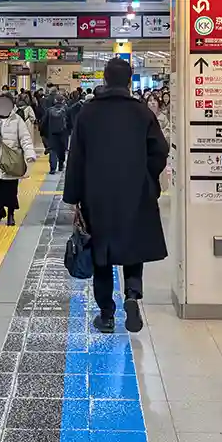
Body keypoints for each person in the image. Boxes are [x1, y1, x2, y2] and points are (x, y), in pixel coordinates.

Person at [63, 58, 168, 334]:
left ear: (105, 79)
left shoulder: (88, 113)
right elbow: (160, 150)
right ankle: (132, 296)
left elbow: (76, 157)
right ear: (130, 80)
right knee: (134, 246)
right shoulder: (142, 113)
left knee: (102, 255)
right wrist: (148, 179)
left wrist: (74, 194)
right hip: (136, 192)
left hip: (98, 195)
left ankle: (106, 314)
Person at [0, 93, 36, 225]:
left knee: (10, 191)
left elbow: (25, 139)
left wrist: (30, 155)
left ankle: (10, 214)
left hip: (11, 162)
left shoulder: (17, 120)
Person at [42, 91, 71, 175]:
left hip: (52, 134)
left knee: (53, 150)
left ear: (55, 101)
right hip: (63, 133)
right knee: (62, 150)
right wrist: (69, 131)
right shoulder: (67, 109)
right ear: (63, 101)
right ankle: (61, 165)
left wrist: (44, 133)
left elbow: (44, 123)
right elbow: (70, 122)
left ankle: (52, 169)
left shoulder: (49, 110)